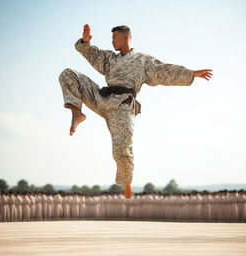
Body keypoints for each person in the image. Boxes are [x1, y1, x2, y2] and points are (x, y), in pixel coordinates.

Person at [59, 24, 213, 199]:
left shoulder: (142, 60)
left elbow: (163, 71)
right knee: (68, 74)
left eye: (114, 37)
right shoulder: (109, 58)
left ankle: (126, 182)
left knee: (122, 148)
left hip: (123, 106)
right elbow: (92, 54)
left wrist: (190, 73)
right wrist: (85, 42)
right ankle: (76, 113)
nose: (112, 41)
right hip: (102, 98)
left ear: (125, 37)